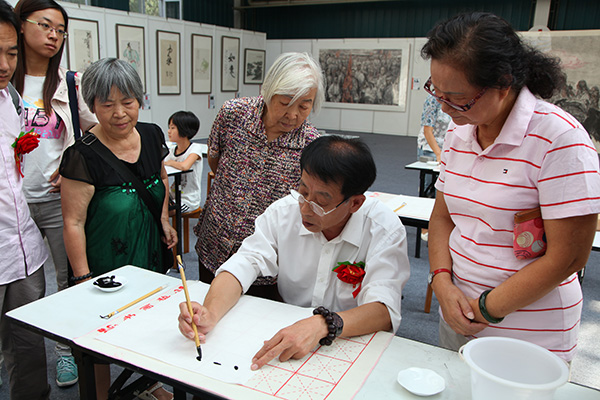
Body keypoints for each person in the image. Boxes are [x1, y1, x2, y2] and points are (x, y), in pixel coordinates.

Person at [422, 11, 600, 362]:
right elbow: (443, 217)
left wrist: (486, 309)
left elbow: (568, 257)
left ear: (503, 84)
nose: (444, 108)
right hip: (457, 311)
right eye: (436, 92)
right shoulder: (460, 132)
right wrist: (441, 282)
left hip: (528, 331)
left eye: (457, 98)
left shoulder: (560, 140)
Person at [179, 136, 410, 370]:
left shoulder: (383, 229)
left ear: (355, 203)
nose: (306, 208)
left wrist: (322, 325)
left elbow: (384, 309)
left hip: (350, 339)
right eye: (303, 190)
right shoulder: (284, 213)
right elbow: (244, 263)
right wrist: (210, 312)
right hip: (288, 336)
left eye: (321, 202)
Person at [60, 58, 176, 400]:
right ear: (92, 105)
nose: (119, 113)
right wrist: (83, 279)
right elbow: (73, 222)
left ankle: (146, 382)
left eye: (128, 102)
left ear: (139, 100)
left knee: (149, 321)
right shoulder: (82, 155)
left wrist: (165, 218)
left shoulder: (153, 134)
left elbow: (161, 178)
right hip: (103, 265)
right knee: (99, 338)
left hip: (149, 251)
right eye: (106, 104)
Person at [13, 0, 97, 388]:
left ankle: (65, 351)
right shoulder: (5, 82)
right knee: (22, 286)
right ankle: (9, 353)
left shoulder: (67, 83)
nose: (54, 35)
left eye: (60, 30)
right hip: (11, 202)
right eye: (45, 25)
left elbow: (94, 131)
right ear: (20, 23)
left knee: (68, 278)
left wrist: (71, 168)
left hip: (54, 200)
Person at [194, 52, 322, 300]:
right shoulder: (233, 115)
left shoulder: (311, 144)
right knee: (208, 317)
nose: (293, 114)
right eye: (285, 103)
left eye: (304, 106)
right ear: (268, 90)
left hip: (267, 259)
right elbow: (215, 160)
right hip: (216, 242)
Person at [0, 1, 50, 398]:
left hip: (24, 253)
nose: (3, 64)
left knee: (29, 345)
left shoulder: (11, 102)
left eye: (11, 53)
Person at [164, 110, 203, 214]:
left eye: (173, 128)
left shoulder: (195, 148)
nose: (169, 131)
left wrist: (171, 162)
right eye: (169, 127)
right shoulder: (172, 150)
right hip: (173, 194)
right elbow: (162, 165)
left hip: (188, 199)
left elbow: (185, 166)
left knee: (166, 211)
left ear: (184, 130)